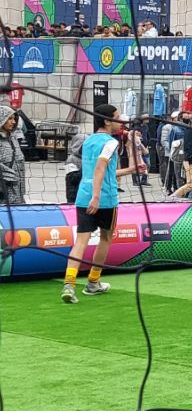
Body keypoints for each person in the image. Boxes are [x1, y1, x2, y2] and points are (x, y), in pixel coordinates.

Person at [61, 104, 137, 303]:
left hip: (83, 196)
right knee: (105, 239)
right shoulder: (111, 142)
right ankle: (93, 282)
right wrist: (96, 196)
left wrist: (129, 171)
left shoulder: (88, 141)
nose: (120, 120)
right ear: (107, 121)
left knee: (81, 241)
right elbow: (100, 169)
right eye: (117, 117)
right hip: (104, 199)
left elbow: (100, 171)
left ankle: (69, 284)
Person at [0, 104, 27, 205]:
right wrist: (8, 174)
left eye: (14, 118)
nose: (14, 122)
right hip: (3, 197)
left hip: (18, 197)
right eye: (9, 118)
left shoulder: (13, 139)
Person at [169, 113, 192, 199]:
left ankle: (182, 196)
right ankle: (173, 197)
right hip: (190, 160)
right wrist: (190, 160)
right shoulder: (189, 131)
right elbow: (188, 146)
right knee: (190, 184)